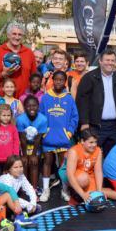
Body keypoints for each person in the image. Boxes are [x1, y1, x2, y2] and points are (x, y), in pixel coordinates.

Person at [39, 71, 78, 202]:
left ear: (65, 82)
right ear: (52, 80)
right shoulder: (45, 97)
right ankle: (45, 189)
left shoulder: (69, 98)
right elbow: (40, 116)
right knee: (47, 162)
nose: (58, 82)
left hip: (63, 138)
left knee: (63, 165)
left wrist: (69, 132)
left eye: (61, 80)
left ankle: (65, 188)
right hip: (48, 137)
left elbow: (74, 117)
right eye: (56, 79)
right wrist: (44, 132)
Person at [76, 51, 116, 155]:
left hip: (114, 127)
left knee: (112, 158)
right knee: (91, 156)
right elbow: (82, 101)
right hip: (94, 126)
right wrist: (84, 122)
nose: (110, 63)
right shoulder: (89, 77)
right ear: (100, 61)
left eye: (112, 60)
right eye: (107, 60)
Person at [0, 23, 37, 97]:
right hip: (2, 99)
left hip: (24, 100)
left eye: (20, 34)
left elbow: (33, 77)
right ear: (8, 35)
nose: (17, 37)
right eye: (14, 34)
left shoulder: (29, 53)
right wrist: (3, 74)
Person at [16, 95, 47, 191]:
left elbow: (38, 138)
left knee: (34, 163)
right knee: (24, 163)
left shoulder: (43, 119)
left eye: (34, 106)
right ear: (25, 107)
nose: (31, 108)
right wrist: (25, 155)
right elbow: (22, 138)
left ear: (38, 106)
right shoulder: (20, 119)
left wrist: (33, 155)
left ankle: (33, 189)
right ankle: (24, 189)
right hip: (24, 144)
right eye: (28, 106)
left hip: (36, 145)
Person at [0, 104, 20, 177]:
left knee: (9, 179)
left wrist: (15, 157)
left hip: (9, 160)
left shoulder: (13, 128)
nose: (6, 118)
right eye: (4, 115)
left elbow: (16, 143)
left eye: (8, 115)